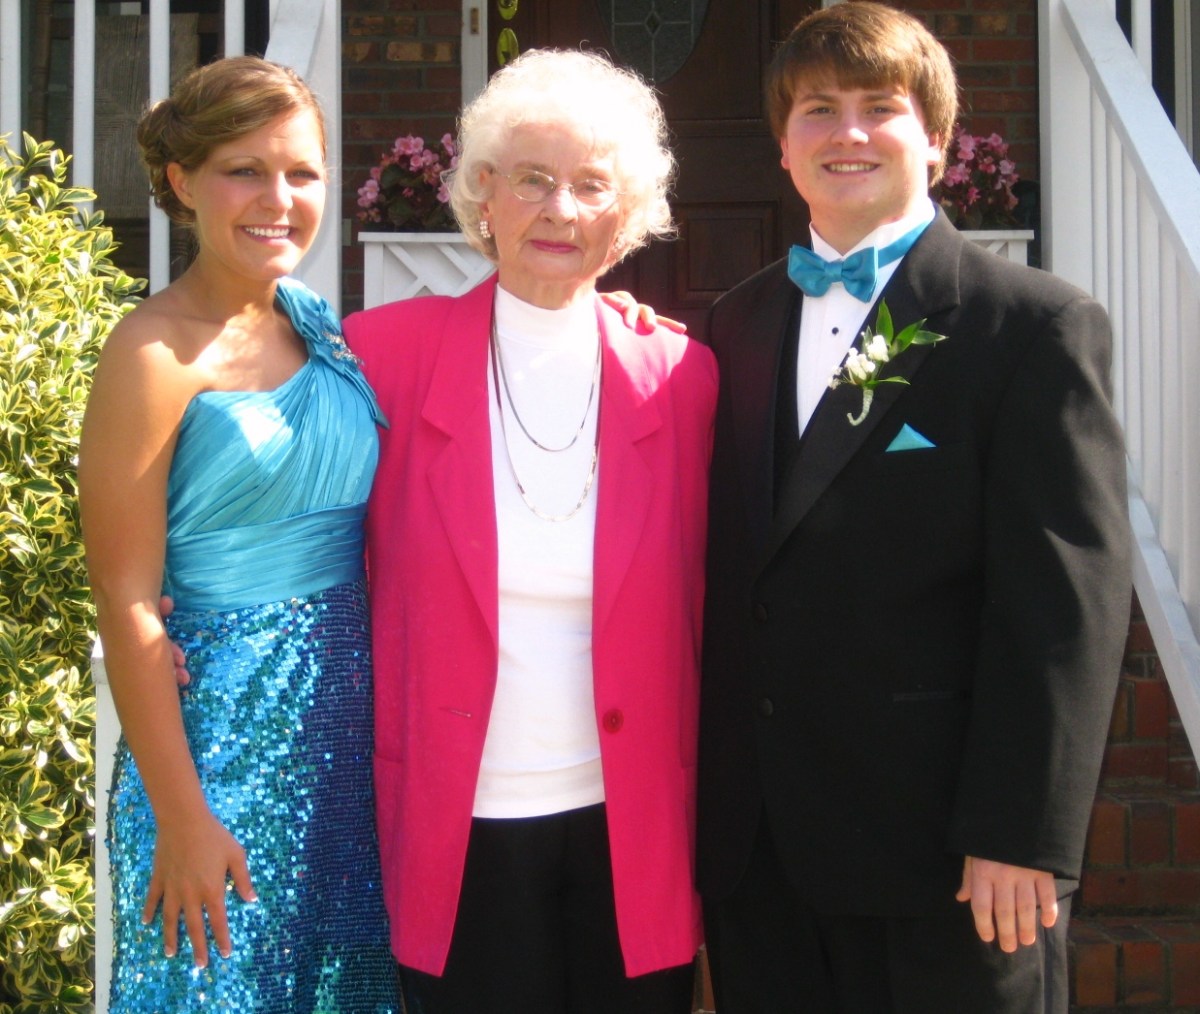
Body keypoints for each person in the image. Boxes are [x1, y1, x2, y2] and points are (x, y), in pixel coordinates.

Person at [697, 4, 1131, 1012]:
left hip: (949, 863)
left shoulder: (1030, 326)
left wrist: (1021, 832)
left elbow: (1064, 604)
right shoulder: (734, 322)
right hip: (764, 859)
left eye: (879, 107)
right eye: (818, 108)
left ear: (936, 140)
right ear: (783, 143)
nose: (847, 132)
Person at [341, 48, 717, 1014]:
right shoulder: (383, 357)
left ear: (627, 215)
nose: (561, 210)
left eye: (592, 185)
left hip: (630, 824)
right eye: (533, 180)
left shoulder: (680, 378)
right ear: (484, 194)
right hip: (457, 822)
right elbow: (292, 507)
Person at [79, 56, 399, 1012]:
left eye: (302, 172)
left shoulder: (320, 326)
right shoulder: (151, 355)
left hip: (348, 747)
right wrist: (183, 818)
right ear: (181, 182)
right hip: (215, 752)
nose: (279, 199)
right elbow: (126, 602)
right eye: (244, 171)